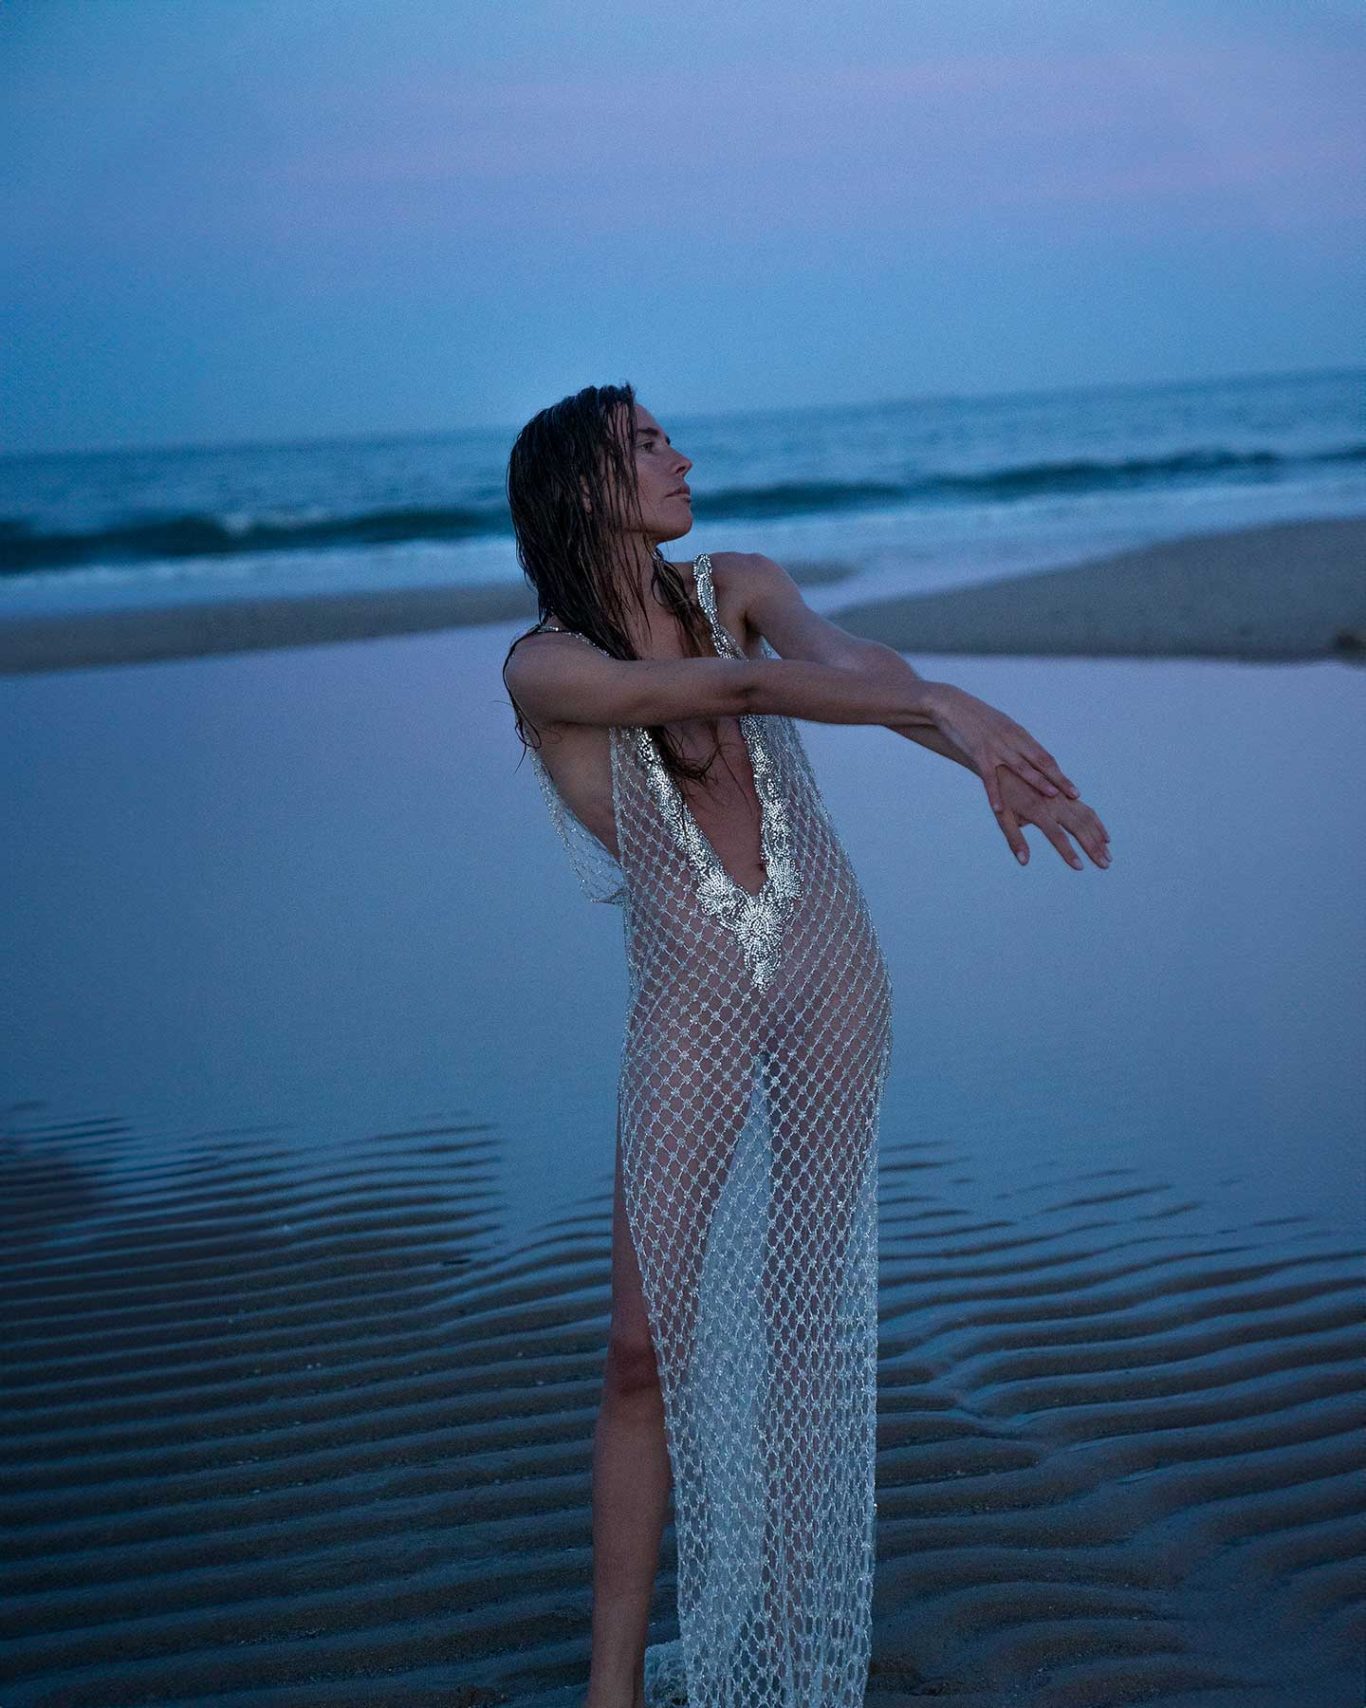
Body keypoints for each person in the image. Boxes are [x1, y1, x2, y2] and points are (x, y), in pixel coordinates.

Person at [501, 382, 1110, 1708]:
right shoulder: (545, 666)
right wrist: (940, 701)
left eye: (668, 436)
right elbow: (733, 682)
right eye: (647, 443)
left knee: (804, 1320)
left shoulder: (744, 578)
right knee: (637, 1346)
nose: (681, 456)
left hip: (830, 959)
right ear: (582, 484)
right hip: (693, 989)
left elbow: (853, 676)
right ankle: (610, 1688)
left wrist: (967, 742)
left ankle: (788, 1653)